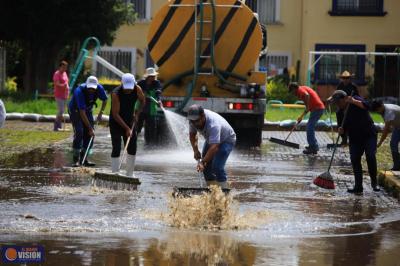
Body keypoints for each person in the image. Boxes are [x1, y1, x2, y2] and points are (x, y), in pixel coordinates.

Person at [327, 90, 380, 194]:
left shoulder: (355, 99)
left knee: (370, 155)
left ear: (345, 99)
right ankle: (358, 186)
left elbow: (367, 106)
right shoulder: (339, 113)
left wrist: (354, 101)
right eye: (336, 103)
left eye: (339, 102)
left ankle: (374, 182)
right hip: (355, 138)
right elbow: (343, 130)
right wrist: (342, 131)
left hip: (369, 134)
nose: (338, 105)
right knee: (355, 159)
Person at [188, 104, 236, 189]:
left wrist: (202, 162)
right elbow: (192, 135)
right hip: (212, 140)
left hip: (226, 140)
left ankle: (224, 191)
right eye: (192, 121)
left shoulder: (213, 124)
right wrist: (195, 150)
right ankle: (212, 191)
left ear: (203, 116)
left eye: (197, 121)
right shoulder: (193, 120)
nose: (194, 123)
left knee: (217, 167)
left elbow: (214, 147)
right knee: (206, 169)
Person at [109, 73, 145, 177]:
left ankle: (129, 174)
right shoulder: (116, 93)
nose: (128, 90)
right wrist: (127, 128)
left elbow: (142, 101)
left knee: (132, 146)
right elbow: (115, 114)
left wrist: (137, 113)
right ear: (122, 84)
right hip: (116, 121)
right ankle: (115, 173)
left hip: (130, 119)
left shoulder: (137, 89)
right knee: (116, 146)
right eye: (126, 88)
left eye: (130, 88)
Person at [68, 76, 107, 167]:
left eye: (93, 88)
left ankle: (84, 158)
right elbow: (82, 112)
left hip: (88, 110)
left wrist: (101, 113)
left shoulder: (100, 89)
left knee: (90, 135)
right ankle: (76, 159)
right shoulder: (79, 91)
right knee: (79, 132)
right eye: (89, 88)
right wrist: (90, 128)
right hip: (75, 111)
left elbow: (105, 100)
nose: (91, 90)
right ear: (86, 85)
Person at [288, 82, 325, 155]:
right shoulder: (301, 89)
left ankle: (313, 147)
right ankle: (314, 146)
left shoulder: (300, 90)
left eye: (291, 91)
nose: (292, 94)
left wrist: (307, 107)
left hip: (318, 108)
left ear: (294, 88)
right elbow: (307, 104)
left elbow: (307, 95)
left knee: (309, 127)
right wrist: (302, 116)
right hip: (316, 108)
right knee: (309, 127)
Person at [370, 100, 400, 170]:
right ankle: (397, 165)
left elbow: (386, 130)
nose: (377, 112)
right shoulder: (383, 109)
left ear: (381, 106)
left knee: (394, 143)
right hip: (397, 127)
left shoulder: (388, 112)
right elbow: (388, 127)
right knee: (393, 144)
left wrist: (380, 143)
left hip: (398, 127)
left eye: (377, 110)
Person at [136, 67, 163, 145]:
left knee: (152, 128)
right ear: (147, 76)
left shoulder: (156, 83)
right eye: (152, 76)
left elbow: (158, 92)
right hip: (141, 107)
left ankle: (151, 145)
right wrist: (142, 94)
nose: (153, 77)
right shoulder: (140, 83)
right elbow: (135, 91)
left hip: (151, 108)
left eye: (154, 76)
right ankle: (133, 142)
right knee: (138, 126)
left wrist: (159, 100)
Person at [335, 71, 359, 145]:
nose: (345, 79)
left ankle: (351, 137)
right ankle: (343, 137)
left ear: (350, 78)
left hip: (350, 106)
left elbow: (357, 97)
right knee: (338, 114)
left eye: (347, 78)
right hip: (342, 106)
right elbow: (336, 94)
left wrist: (350, 100)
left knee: (350, 119)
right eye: (344, 78)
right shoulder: (340, 85)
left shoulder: (353, 86)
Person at [53, 61, 69, 131]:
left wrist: (67, 88)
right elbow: (57, 84)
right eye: (63, 67)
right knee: (61, 110)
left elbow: (66, 82)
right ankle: (56, 125)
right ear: (60, 67)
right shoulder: (57, 74)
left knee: (63, 111)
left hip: (65, 94)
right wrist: (63, 86)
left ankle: (59, 126)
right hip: (58, 95)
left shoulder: (65, 73)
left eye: (65, 67)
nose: (64, 69)